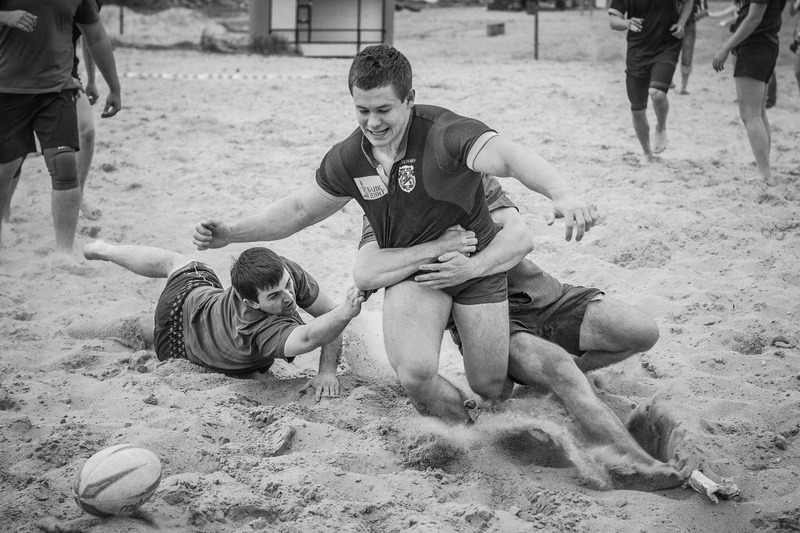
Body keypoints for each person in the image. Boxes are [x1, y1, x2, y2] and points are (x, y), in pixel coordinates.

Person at [193, 44, 596, 424]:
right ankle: (468, 430)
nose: (373, 122)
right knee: (415, 373)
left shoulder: (444, 132)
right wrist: (232, 233)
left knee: (489, 385)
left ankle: (516, 346)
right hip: (411, 269)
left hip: (472, 261)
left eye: (384, 109)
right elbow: (299, 209)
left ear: (409, 99)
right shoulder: (349, 157)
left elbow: (507, 156)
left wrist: (560, 193)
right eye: (362, 110)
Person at [354, 175, 688, 490]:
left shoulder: (467, 175)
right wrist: (431, 248)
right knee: (560, 372)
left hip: (545, 295)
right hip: (495, 322)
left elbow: (517, 237)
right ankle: (642, 465)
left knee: (642, 331)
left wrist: (469, 253)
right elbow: (370, 270)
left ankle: (553, 377)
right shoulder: (385, 207)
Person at [67, 240, 365, 401]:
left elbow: (327, 315)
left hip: (198, 298)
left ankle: (106, 250)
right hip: (180, 340)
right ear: (250, 301)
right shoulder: (257, 329)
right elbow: (313, 335)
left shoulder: (280, 272)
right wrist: (344, 313)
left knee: (178, 263)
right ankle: (75, 324)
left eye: (287, 285)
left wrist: (327, 369)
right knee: (143, 330)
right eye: (274, 296)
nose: (288, 297)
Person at [0, 0, 121, 258]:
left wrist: (114, 87)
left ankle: (63, 255)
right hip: (7, 90)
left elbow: (96, 36)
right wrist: (5, 16)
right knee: (6, 169)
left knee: (65, 164)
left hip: (58, 89)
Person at [608, 0, 695, 162]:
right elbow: (613, 21)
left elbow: (689, 1)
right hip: (637, 51)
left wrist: (681, 23)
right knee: (637, 110)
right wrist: (626, 23)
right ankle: (647, 153)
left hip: (666, 47)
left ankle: (661, 127)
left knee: (657, 93)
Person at [712, 0, 787, 186]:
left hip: (756, 45)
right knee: (759, 113)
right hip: (765, 43)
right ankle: (764, 168)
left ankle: (765, 172)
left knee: (750, 114)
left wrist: (725, 48)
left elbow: (754, 18)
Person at [673, 0, 709, 95]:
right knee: (669, 52)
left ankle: (683, 86)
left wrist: (700, 14)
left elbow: (704, 10)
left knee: (687, 53)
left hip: (688, 23)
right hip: (671, 22)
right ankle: (670, 82)